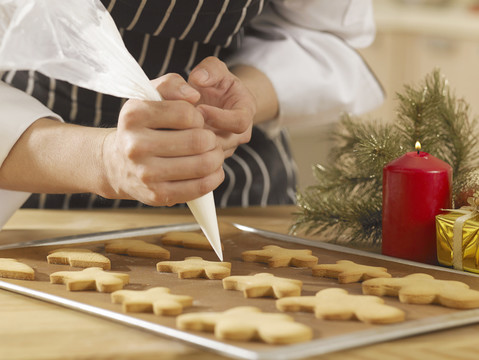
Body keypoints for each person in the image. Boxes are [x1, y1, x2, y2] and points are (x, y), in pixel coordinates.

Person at [0, 0, 384, 228]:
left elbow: (320, 32)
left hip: (236, 189)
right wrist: (102, 159)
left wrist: (243, 96)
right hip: (35, 194)